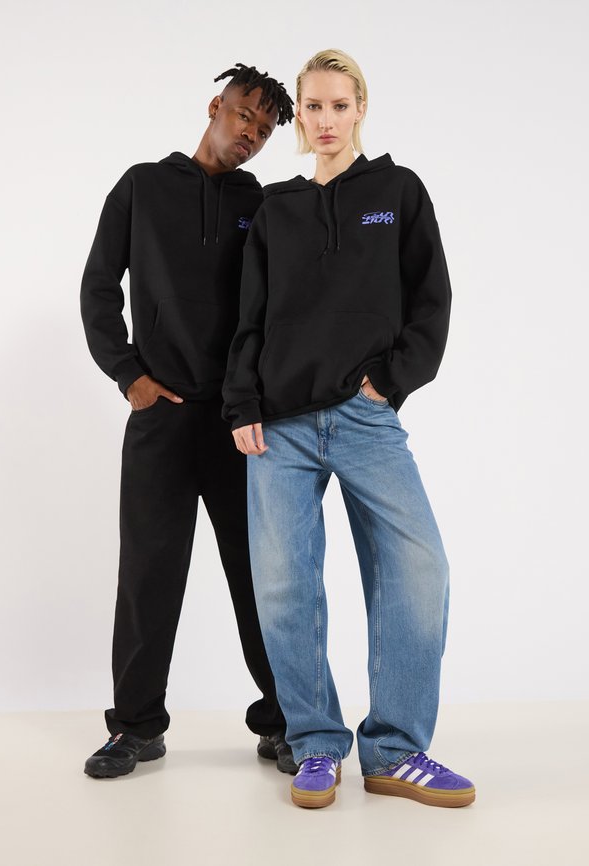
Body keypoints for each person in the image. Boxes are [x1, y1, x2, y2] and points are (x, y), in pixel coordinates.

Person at [221, 49, 475, 809]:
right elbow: (250, 318)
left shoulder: (397, 192)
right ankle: (315, 745)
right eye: (313, 106)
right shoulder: (277, 210)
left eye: (339, 104)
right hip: (279, 427)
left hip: (365, 418)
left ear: (360, 107)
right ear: (299, 114)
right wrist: (242, 403)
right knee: (285, 586)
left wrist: (389, 382)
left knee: (419, 569)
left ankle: (394, 751)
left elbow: (432, 299)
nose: (325, 120)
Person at [80, 63, 298, 779]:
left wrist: (259, 397)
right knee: (148, 574)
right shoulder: (142, 186)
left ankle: (283, 721)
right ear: (216, 106)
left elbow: (274, 311)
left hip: (240, 426)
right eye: (245, 116)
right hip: (162, 419)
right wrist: (129, 376)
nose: (252, 133)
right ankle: (136, 727)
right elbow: (98, 286)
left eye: (265, 129)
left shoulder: (259, 204)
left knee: (260, 576)